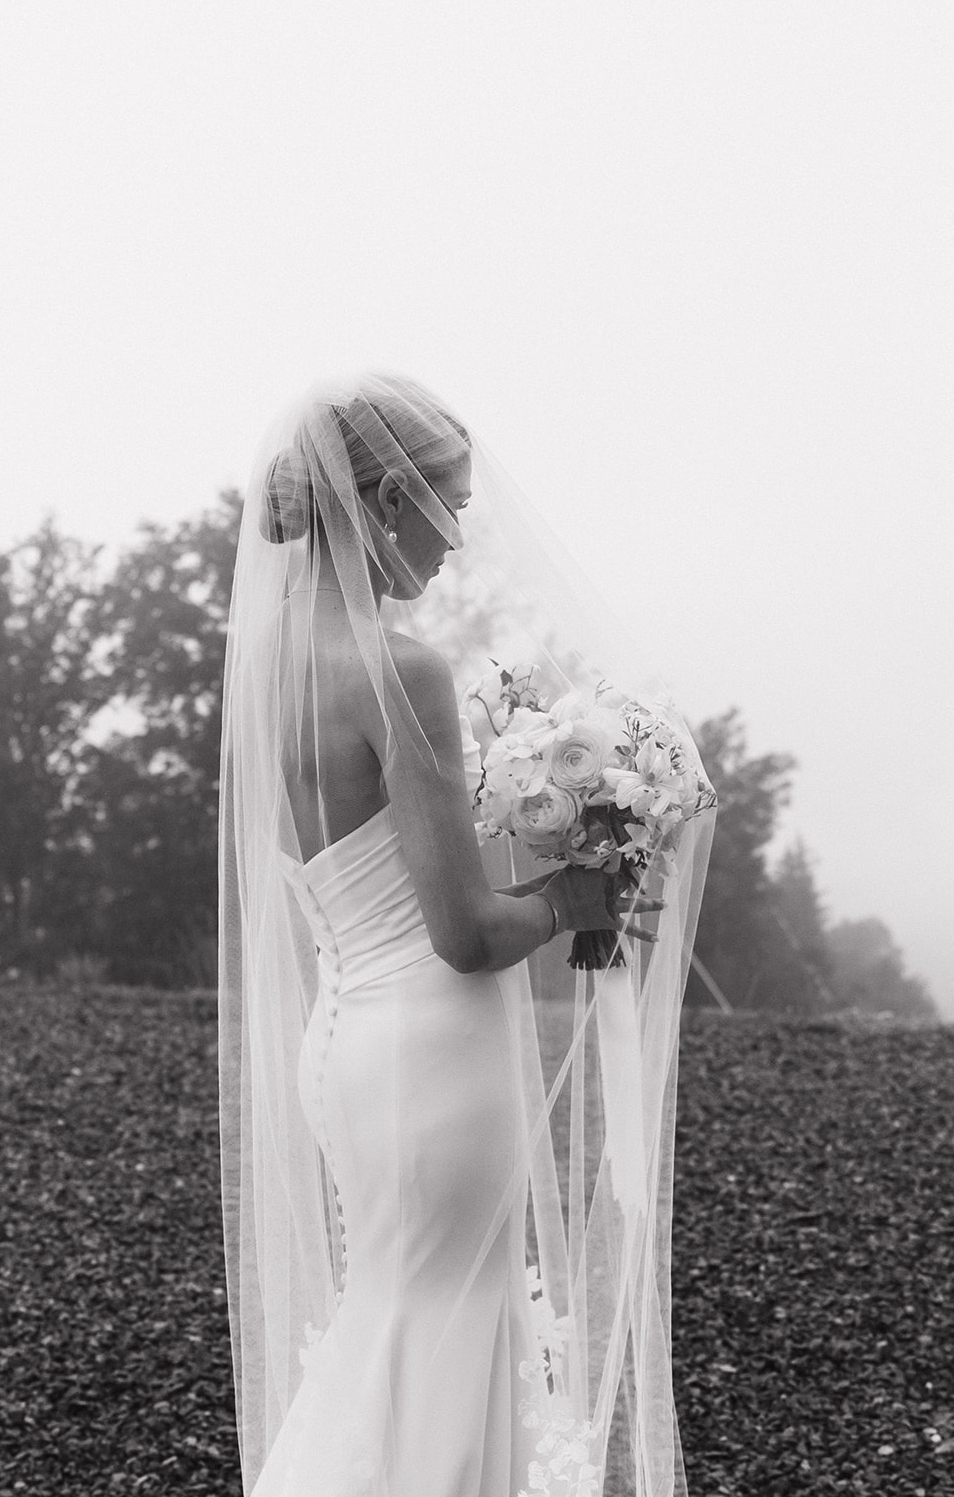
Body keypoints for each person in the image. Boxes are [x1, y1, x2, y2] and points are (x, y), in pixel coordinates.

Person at [219, 375, 713, 1497]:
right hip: (432, 1050)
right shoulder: (401, 667)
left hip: (344, 1047)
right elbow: (463, 931)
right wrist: (571, 898)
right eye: (445, 506)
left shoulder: (274, 654)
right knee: (438, 1332)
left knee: (389, 1326)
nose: (454, 539)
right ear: (386, 499)